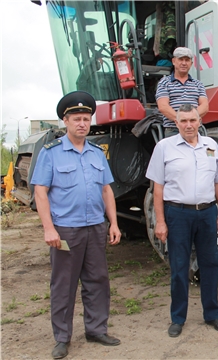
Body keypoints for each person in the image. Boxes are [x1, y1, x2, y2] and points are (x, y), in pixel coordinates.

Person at [31, 91, 122, 359]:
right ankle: (62, 337)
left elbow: (107, 190)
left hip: (95, 227)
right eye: (76, 119)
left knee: (97, 281)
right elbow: (40, 192)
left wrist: (113, 223)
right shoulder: (51, 153)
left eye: (86, 119)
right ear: (65, 121)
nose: (82, 123)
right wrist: (49, 228)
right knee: (64, 284)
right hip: (66, 230)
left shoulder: (96, 153)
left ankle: (96, 329)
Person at [145, 103, 218, 337]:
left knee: (211, 265)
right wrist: (160, 221)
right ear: (176, 123)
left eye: (193, 120)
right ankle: (178, 318)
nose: (189, 125)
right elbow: (158, 188)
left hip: (207, 213)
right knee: (179, 267)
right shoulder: (164, 147)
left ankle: (212, 314)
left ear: (199, 121)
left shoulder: (211, 146)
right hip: (178, 214)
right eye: (184, 121)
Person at [156, 47, 208, 137]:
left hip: (195, 129)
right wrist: (182, 121)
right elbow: (163, 106)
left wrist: (190, 121)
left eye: (187, 60)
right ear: (173, 61)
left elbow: (205, 106)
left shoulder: (198, 84)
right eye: (181, 59)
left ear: (191, 63)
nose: (184, 63)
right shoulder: (164, 82)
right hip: (173, 129)